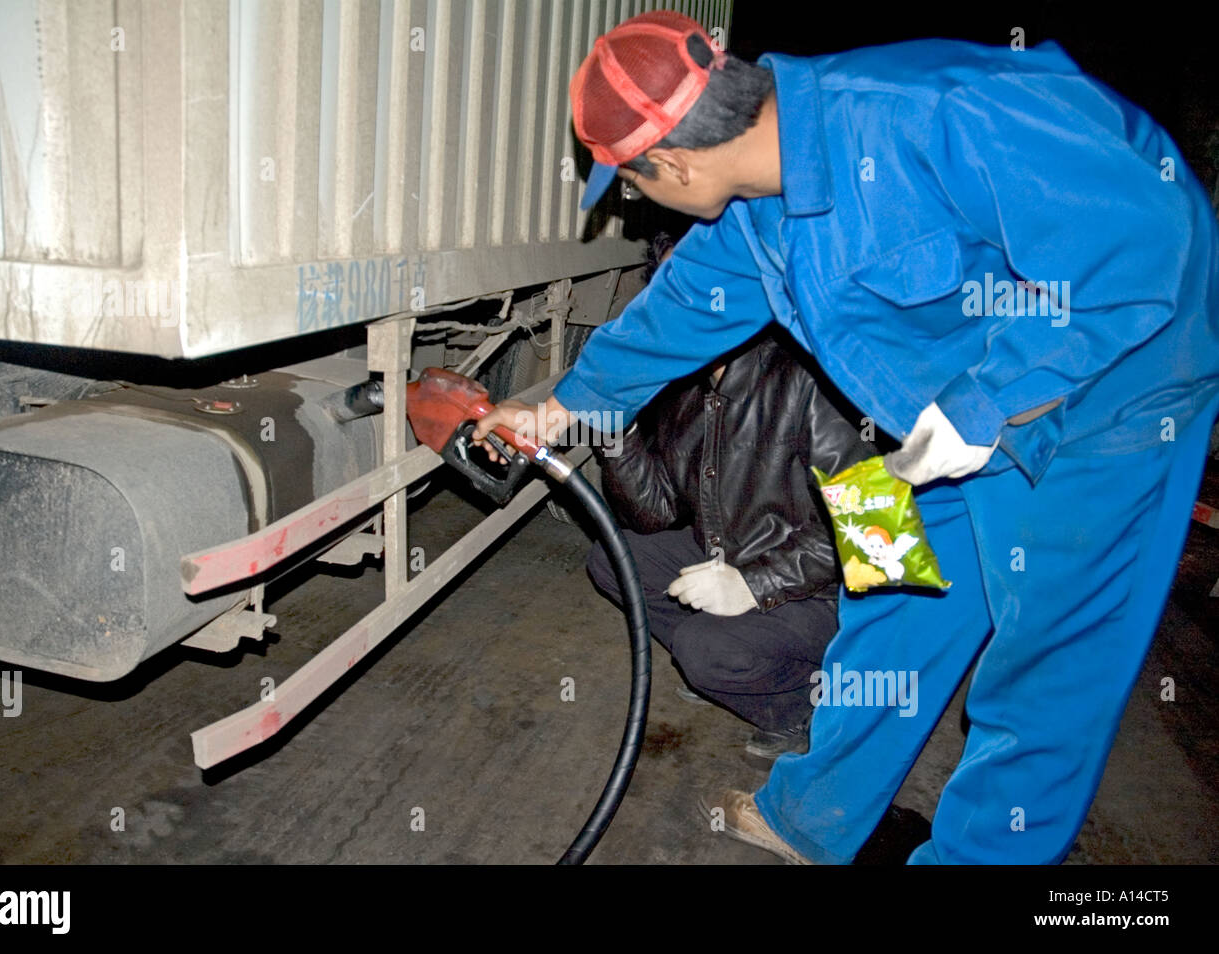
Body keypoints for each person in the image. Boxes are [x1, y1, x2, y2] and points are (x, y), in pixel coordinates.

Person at [476, 11, 1219, 864]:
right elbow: (678, 312)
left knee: (1043, 672)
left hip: (1114, 394)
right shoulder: (757, 207)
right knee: (887, 588)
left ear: (674, 163)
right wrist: (557, 410)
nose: (639, 202)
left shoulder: (935, 111)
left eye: (632, 185)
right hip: (936, 415)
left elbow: (1145, 244)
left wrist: (990, 400)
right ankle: (815, 818)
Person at [586, 311, 874, 765]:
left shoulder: (813, 377)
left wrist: (751, 585)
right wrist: (619, 434)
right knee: (613, 560)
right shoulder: (688, 384)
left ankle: (798, 707)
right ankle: (735, 668)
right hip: (732, 555)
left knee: (704, 648)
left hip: (825, 591)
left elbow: (874, 536)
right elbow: (655, 513)